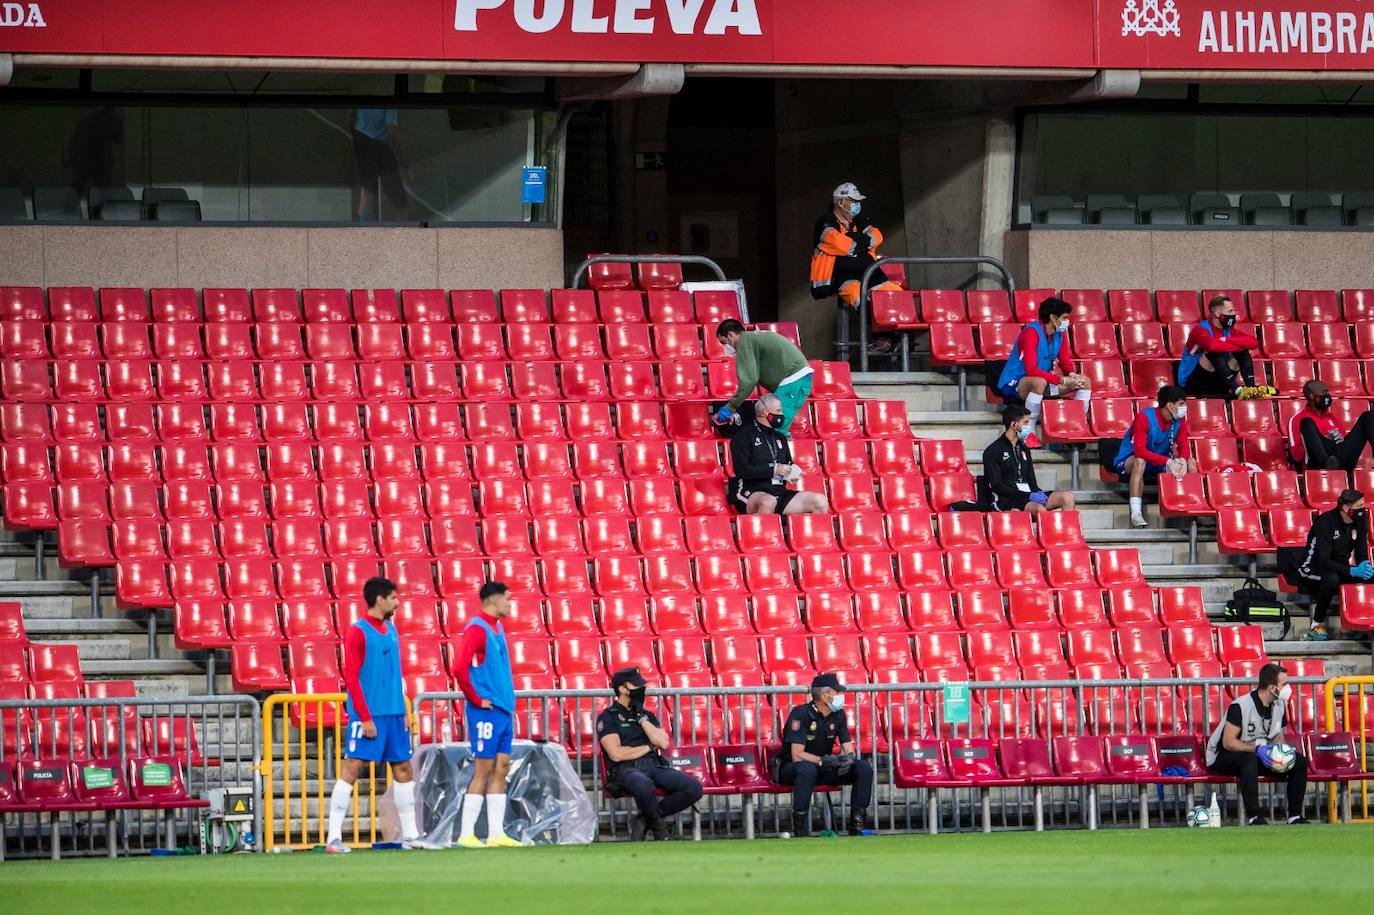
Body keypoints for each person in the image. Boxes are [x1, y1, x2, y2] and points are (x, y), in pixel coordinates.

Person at [326, 577, 421, 853]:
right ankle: (333, 838)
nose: (397, 602)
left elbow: (395, 674)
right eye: (393, 597)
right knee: (352, 769)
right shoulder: (357, 632)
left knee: (403, 769)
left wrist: (403, 708)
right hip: (369, 714)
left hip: (393, 714)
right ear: (379, 599)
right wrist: (364, 717)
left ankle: (411, 836)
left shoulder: (391, 629)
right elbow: (352, 677)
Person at [452, 581, 523, 849]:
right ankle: (466, 834)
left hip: (503, 710)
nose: (509, 603)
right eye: (507, 599)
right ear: (494, 600)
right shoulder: (476, 629)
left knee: (501, 768)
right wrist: (475, 698)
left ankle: (496, 833)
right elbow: (459, 667)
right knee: (483, 769)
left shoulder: (497, 627)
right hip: (486, 711)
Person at [597, 667, 703, 841]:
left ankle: (644, 820)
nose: (641, 690)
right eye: (636, 686)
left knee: (693, 788)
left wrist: (641, 719)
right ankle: (659, 829)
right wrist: (648, 747)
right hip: (626, 769)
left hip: (653, 764)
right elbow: (616, 754)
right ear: (623, 689)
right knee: (643, 784)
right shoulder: (608, 717)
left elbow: (662, 742)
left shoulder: (647, 715)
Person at [1205, 663, 1310, 825]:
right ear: (1271, 687)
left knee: (1299, 761)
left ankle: (1295, 816)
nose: (1288, 688)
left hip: (1259, 755)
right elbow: (1228, 742)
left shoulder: (1280, 705)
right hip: (1224, 757)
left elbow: (1278, 736)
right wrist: (1257, 749)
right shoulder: (1240, 705)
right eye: (1284, 684)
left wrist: (1281, 753)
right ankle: (1254, 816)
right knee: (1249, 759)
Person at [808, 182, 903, 354]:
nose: (857, 205)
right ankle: (885, 339)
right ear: (840, 202)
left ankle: (891, 340)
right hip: (843, 276)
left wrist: (856, 240)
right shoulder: (825, 223)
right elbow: (843, 245)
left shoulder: (858, 221)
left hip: (870, 272)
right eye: (853, 201)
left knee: (896, 295)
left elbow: (877, 236)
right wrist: (861, 242)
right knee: (862, 299)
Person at [777, 673, 874, 837]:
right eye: (837, 693)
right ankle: (800, 830)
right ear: (824, 695)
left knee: (863, 767)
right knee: (807, 769)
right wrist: (823, 761)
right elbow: (796, 755)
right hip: (794, 769)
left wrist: (848, 758)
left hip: (824, 767)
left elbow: (848, 747)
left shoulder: (838, 715)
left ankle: (857, 825)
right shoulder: (800, 714)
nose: (840, 696)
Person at [995, 297, 1091, 449]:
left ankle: (1079, 424)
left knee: (1084, 380)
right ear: (1053, 318)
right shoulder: (1031, 332)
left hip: (1045, 381)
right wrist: (1061, 381)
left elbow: (1065, 362)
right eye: (1065, 317)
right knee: (1039, 382)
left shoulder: (1060, 333)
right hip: (1015, 382)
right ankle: (1028, 432)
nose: (1068, 321)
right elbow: (1031, 370)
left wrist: (1072, 374)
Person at [1279, 489, 1372, 642]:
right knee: (1332, 579)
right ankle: (1316, 624)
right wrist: (1353, 571)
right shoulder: (1325, 522)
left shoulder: (1360, 519)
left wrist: (1364, 565)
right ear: (1346, 508)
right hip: (1310, 567)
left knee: (1370, 577)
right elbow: (1323, 560)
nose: (1363, 509)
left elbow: (1361, 547)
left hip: (1338, 566)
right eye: (1359, 506)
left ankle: (1360, 623)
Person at [727, 394, 829, 516]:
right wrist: (774, 470)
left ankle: (812, 535)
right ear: (765, 411)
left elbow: (788, 463)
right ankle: (761, 534)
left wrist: (792, 472)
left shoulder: (779, 437)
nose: (781, 415)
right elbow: (741, 470)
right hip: (750, 491)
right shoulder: (743, 436)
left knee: (819, 501)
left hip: (779, 492)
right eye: (778, 411)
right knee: (768, 502)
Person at [1112, 384, 1194, 530]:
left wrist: (1182, 459)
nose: (1185, 408)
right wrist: (1168, 461)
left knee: (1191, 462)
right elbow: (1140, 451)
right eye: (1182, 404)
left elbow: (1184, 446)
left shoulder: (1179, 420)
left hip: (1158, 462)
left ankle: (1190, 508)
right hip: (1129, 461)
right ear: (1170, 405)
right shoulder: (1144, 417)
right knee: (1140, 461)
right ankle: (1136, 512)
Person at [714, 320, 813, 437]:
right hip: (794, 380)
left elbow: (749, 380)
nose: (726, 348)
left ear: (731, 335)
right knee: (771, 428)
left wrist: (730, 407)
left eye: (724, 343)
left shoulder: (744, 343)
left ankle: (786, 454)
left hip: (793, 381)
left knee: (775, 428)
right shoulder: (752, 339)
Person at [979, 405, 1076, 514]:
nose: (1029, 426)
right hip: (1009, 498)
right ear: (1013, 425)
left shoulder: (1024, 448)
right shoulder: (993, 451)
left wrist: (1037, 492)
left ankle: (1066, 531)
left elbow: (1031, 480)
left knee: (1067, 497)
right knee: (1039, 509)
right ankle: (1045, 530)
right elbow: (997, 486)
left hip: (1028, 494)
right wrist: (1027, 495)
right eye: (1025, 423)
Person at [1177, 295, 1272, 401]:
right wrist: (1236, 346)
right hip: (1194, 384)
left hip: (1220, 381)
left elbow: (1254, 342)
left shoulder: (1229, 330)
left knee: (1243, 352)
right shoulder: (1200, 330)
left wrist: (1227, 340)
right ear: (1218, 314)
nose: (1234, 314)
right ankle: (1237, 389)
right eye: (1230, 311)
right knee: (1212, 352)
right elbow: (1211, 345)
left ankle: (1251, 388)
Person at [1286, 379, 1374, 471]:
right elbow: (1296, 456)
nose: (1327, 396)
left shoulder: (1332, 418)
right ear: (1312, 396)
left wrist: (1340, 439)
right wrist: (1321, 441)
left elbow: (1343, 445)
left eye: (1327, 392)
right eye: (1323, 392)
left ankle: (1332, 464)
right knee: (1306, 423)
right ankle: (1328, 463)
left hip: (1341, 460)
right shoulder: (1296, 419)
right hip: (1317, 464)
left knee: (1368, 416)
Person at [352, 108, 408, 221]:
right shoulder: (390, 102)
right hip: (380, 145)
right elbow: (393, 131)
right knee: (400, 201)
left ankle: (372, 225)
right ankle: (398, 226)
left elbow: (352, 114)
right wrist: (404, 163)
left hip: (362, 139)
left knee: (369, 188)